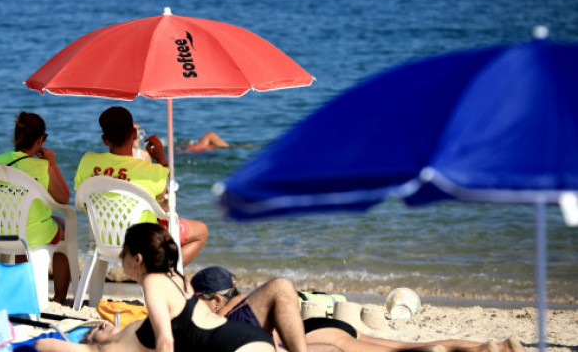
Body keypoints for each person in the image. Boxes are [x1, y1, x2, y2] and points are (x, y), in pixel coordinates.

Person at [35, 223, 275, 352]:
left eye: (124, 252)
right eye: (94, 332)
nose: (120, 257)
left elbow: (167, 342)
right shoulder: (175, 278)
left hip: (233, 343)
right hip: (243, 340)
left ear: (138, 259)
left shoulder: (154, 284)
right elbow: (42, 344)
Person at [191, 267, 526, 352]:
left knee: (406, 350)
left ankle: (485, 348)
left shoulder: (225, 315)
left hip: (317, 334)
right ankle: (489, 347)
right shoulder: (248, 298)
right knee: (405, 346)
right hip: (322, 323)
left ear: (215, 299)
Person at [74, 106, 208, 265]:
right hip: (143, 241)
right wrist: (162, 161)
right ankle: (166, 273)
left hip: (104, 238)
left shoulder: (87, 161)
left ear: (104, 139)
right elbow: (166, 207)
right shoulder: (153, 171)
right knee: (201, 231)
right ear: (134, 134)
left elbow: (82, 202)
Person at [0, 111, 71, 304]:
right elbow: (64, 198)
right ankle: (59, 297)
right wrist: (52, 164)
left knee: (22, 225)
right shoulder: (41, 168)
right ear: (40, 140)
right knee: (64, 228)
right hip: (32, 233)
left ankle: (20, 288)